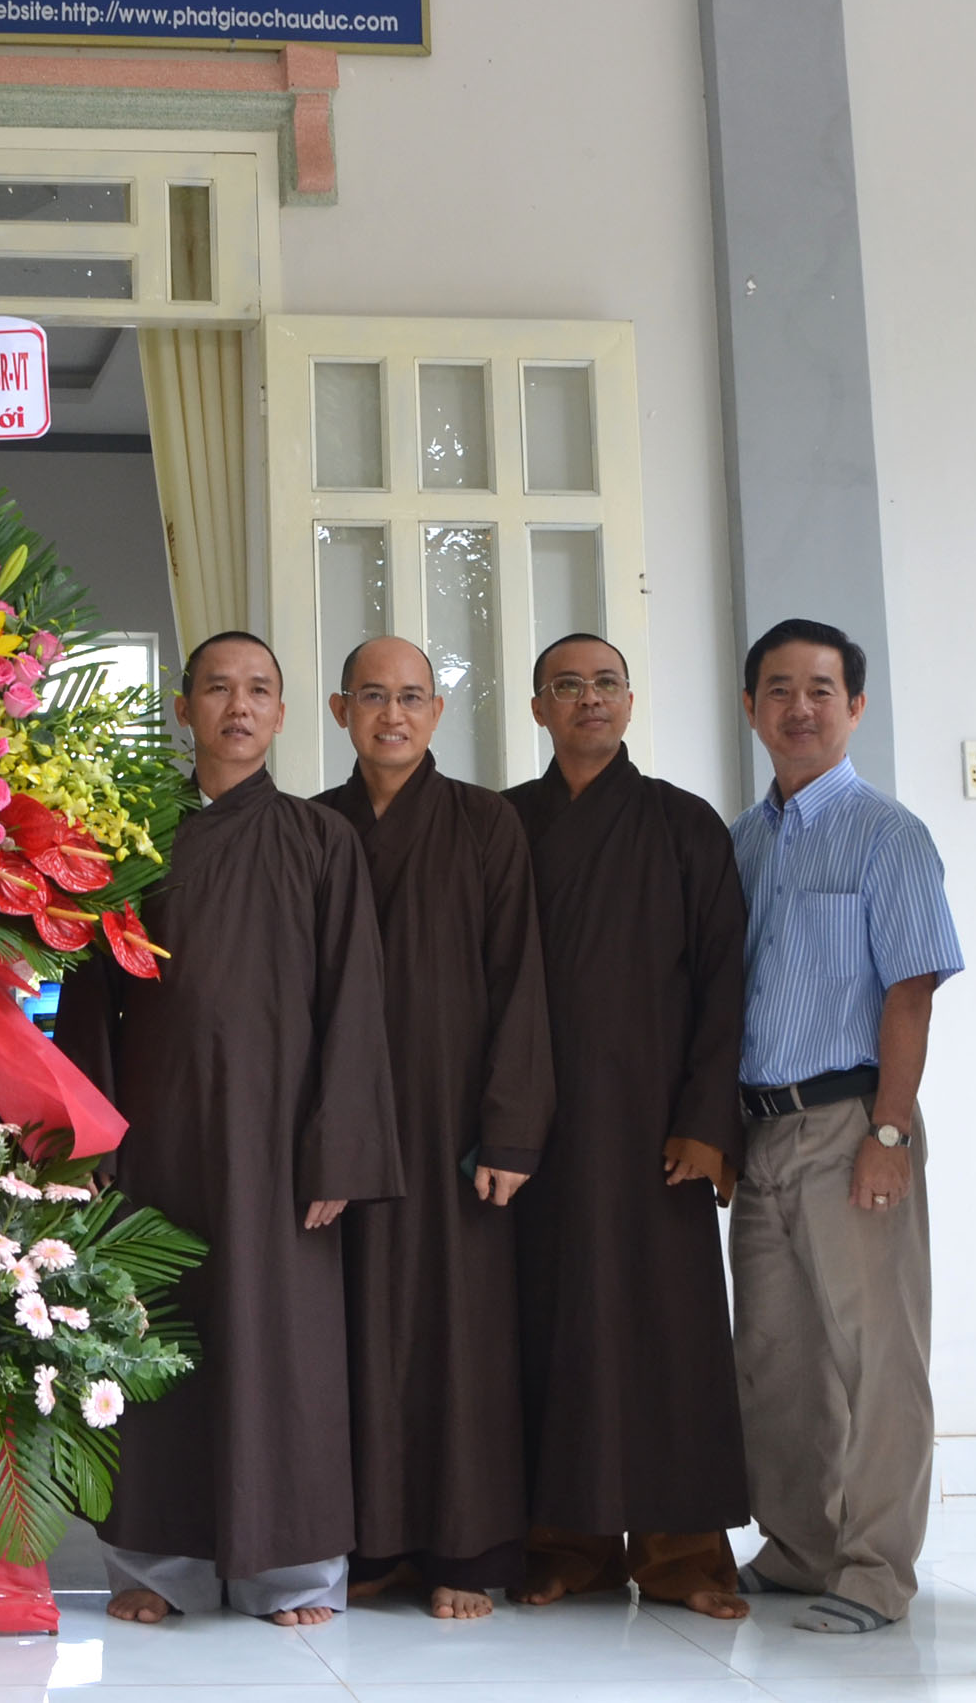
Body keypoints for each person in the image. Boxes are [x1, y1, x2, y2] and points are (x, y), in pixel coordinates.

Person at [56, 630, 402, 1627]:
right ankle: (155, 1570)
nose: (238, 707)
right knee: (152, 1338)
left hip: (284, 1145)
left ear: (285, 715)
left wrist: (338, 1146)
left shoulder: (317, 840)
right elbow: (90, 1006)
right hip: (158, 1137)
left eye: (258, 690)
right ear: (183, 706)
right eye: (217, 688)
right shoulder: (128, 839)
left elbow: (355, 1003)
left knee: (284, 1349)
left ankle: (290, 1575)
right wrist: (90, 1145)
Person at [503, 634, 752, 1621]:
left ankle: (683, 1550)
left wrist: (706, 1122)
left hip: (656, 1131)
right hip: (537, 1130)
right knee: (547, 1327)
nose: (587, 701)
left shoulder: (683, 824)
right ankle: (566, 1543)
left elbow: (725, 982)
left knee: (666, 1334)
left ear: (631, 701)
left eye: (604, 684)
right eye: (566, 687)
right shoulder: (505, 824)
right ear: (538, 709)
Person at [727, 618, 962, 1636]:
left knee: (877, 1359)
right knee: (775, 1357)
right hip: (760, 1134)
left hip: (852, 1123)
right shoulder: (740, 842)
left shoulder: (886, 834)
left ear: (854, 706)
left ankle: (873, 1570)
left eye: (821, 689)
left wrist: (891, 1133)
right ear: (750, 709)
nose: (800, 707)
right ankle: (799, 1545)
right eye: (778, 689)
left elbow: (908, 996)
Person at [313, 636, 552, 1621]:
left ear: (438, 713)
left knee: (460, 1342)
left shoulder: (484, 824)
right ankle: (368, 1544)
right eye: (373, 696)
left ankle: (465, 1548)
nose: (393, 715)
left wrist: (510, 1134)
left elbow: (519, 983)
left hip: (454, 1123)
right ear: (339, 712)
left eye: (412, 696)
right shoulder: (312, 828)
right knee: (350, 1333)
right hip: (342, 1123)